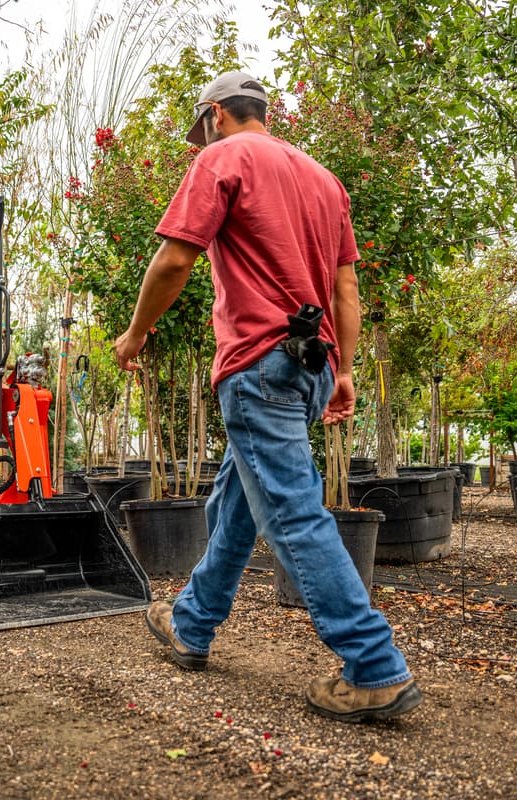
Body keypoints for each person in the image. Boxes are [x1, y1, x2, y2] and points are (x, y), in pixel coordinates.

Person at [113, 71, 420, 723]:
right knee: (238, 500)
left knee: (292, 514)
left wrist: (137, 333)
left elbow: (173, 261)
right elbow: (346, 295)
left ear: (218, 115)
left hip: (257, 366)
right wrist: (342, 371)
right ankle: (192, 623)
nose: (202, 141)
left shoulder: (224, 158)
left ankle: (374, 665)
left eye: (203, 129)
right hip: (310, 366)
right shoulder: (324, 180)